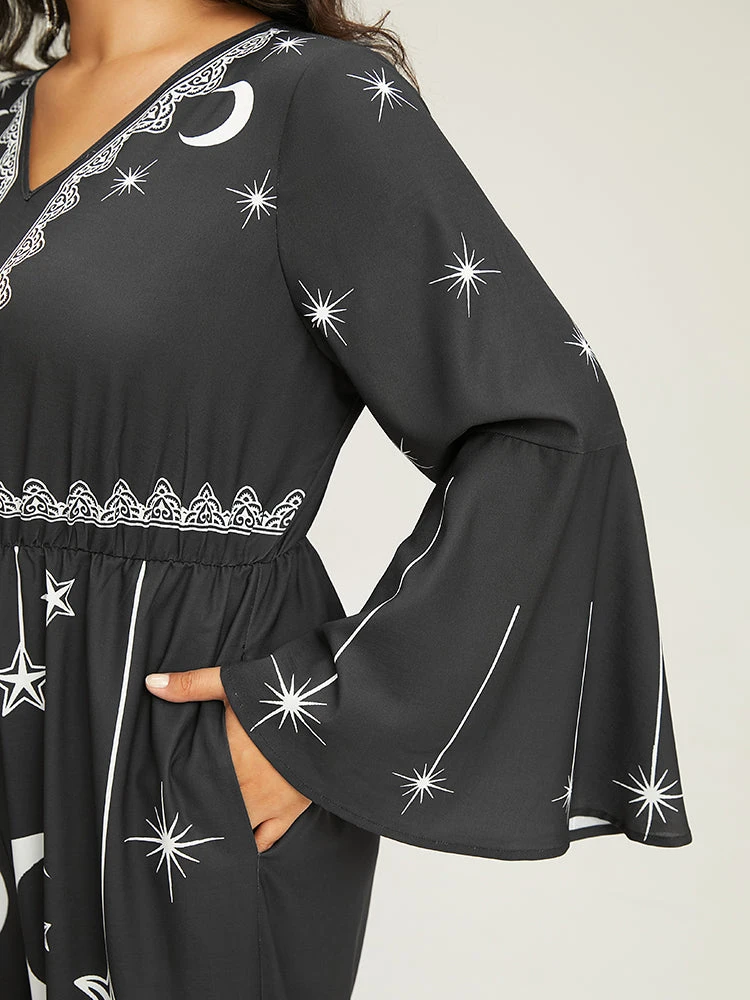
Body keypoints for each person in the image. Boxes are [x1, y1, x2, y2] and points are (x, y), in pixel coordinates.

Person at [0, 1, 693, 997]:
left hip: (156, 745)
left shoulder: (308, 100)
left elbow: (546, 427)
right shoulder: (8, 107)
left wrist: (326, 716)